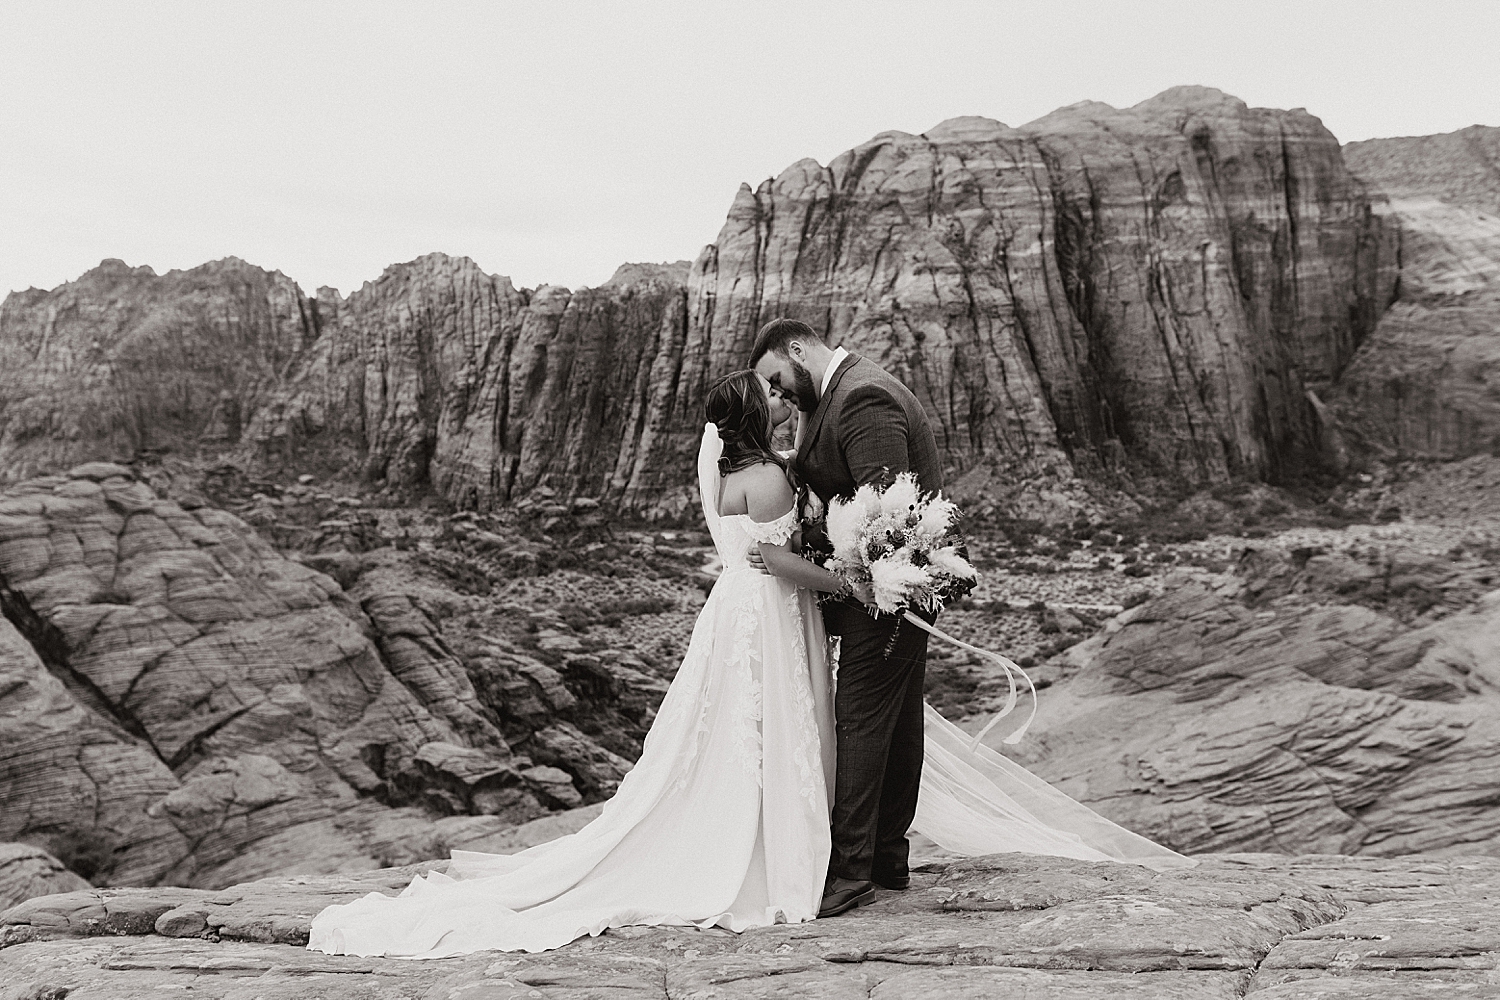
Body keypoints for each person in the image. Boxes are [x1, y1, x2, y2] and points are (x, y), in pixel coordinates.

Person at [307, 359, 1185, 960]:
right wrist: (857, 578)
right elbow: (773, 559)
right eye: (768, 401)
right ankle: (781, 858)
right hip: (771, 608)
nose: (779, 405)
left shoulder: (735, 472)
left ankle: (775, 841)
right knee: (780, 728)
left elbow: (756, 533)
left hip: (739, 613)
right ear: (752, 417)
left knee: (742, 733)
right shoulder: (766, 479)